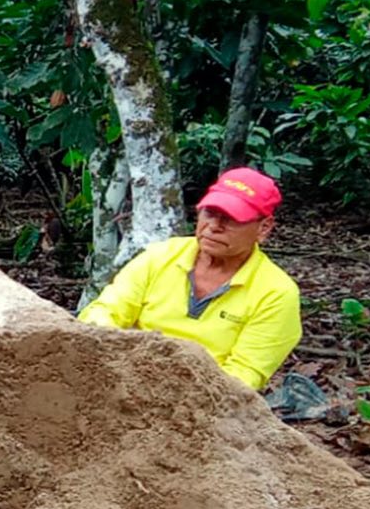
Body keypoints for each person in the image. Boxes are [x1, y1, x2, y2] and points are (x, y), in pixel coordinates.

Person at [78, 166, 301, 390]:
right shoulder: (161, 256)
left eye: (231, 219)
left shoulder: (275, 293)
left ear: (264, 228)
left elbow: (244, 376)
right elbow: (106, 311)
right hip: (127, 375)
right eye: (210, 213)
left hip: (206, 396)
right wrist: (113, 352)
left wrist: (175, 389)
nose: (214, 227)